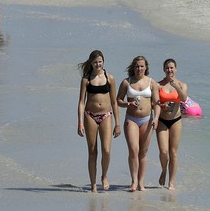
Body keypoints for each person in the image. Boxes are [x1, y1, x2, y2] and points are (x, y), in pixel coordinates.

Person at [77, 50, 121, 193]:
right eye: (95, 61)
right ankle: (93, 184)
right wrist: (80, 123)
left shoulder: (110, 78)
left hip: (106, 116)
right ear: (91, 63)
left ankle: (104, 176)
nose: (98, 64)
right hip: (90, 116)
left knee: (106, 150)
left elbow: (114, 102)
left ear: (103, 62)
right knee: (92, 151)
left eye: (100, 61)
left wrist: (118, 123)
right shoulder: (86, 79)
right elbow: (81, 102)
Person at [116, 56, 160, 192]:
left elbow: (156, 103)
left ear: (146, 67)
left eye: (141, 66)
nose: (139, 69)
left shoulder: (152, 83)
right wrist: (128, 104)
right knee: (133, 150)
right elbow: (118, 100)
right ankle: (134, 181)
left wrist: (156, 118)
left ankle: (141, 182)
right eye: (137, 66)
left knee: (143, 152)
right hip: (131, 119)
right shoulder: (126, 82)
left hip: (147, 119)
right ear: (133, 67)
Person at [155, 58, 188, 190]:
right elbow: (154, 104)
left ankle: (172, 182)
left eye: (172, 68)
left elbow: (184, 98)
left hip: (176, 120)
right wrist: (162, 105)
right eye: (167, 68)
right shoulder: (158, 85)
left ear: (176, 69)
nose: (169, 70)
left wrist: (176, 87)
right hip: (162, 120)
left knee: (173, 152)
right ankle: (164, 170)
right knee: (163, 151)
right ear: (164, 69)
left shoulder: (182, 84)